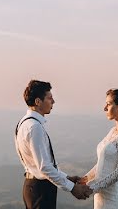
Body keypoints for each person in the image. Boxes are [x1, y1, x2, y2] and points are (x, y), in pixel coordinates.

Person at [15, 79, 92, 208]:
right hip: (40, 189)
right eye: (50, 98)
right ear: (38, 102)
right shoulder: (35, 127)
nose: (53, 101)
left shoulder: (23, 123)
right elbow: (44, 167)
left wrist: (66, 177)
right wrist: (72, 188)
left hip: (32, 186)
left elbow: (35, 164)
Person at [72, 89, 118, 209]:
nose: (104, 108)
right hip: (100, 196)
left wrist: (92, 188)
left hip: (115, 198)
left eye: (108, 104)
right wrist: (85, 179)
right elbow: (102, 163)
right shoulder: (112, 131)